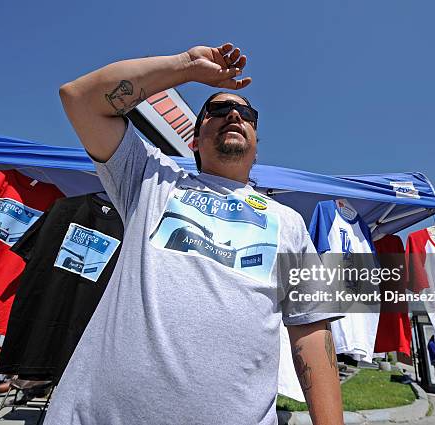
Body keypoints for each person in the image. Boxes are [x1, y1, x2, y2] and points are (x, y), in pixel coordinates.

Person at [44, 43, 344, 425]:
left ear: (256, 144)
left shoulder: (291, 222)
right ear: (195, 141)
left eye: (246, 113)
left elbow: (312, 329)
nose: (234, 114)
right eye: (217, 110)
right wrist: (184, 67)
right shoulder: (151, 178)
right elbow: (80, 98)